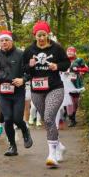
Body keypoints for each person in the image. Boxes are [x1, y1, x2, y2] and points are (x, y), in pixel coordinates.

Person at [23, 21, 71, 168]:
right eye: (39, 35)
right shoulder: (29, 50)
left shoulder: (56, 48)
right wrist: (29, 66)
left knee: (49, 117)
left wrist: (57, 66)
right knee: (47, 120)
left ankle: (51, 155)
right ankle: (59, 146)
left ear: (47, 35)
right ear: (35, 36)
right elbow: (23, 69)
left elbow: (66, 63)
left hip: (55, 88)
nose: (42, 38)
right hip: (37, 90)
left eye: (44, 35)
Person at [0, 30, 32, 156]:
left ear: (11, 41)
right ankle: (12, 146)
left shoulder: (21, 55)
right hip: (3, 92)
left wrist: (22, 80)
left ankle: (25, 130)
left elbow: (29, 73)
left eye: (6, 40)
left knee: (17, 119)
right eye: (1, 41)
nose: (4, 43)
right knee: (7, 118)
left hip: (17, 91)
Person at [65, 46, 89, 127]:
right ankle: (71, 118)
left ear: (75, 52)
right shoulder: (63, 60)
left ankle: (73, 117)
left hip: (76, 83)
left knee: (75, 102)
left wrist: (78, 70)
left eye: (71, 51)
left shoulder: (79, 60)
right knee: (69, 101)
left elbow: (86, 69)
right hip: (66, 83)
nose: (69, 52)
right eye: (68, 51)